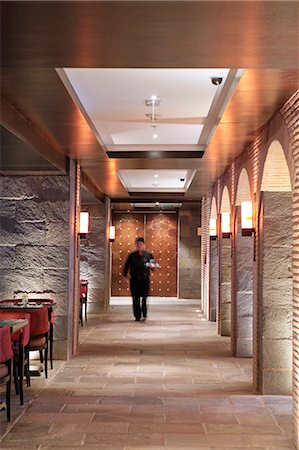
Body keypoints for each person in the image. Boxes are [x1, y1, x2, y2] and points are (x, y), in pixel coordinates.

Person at [123, 237, 154, 321]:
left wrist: (151, 265)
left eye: (141, 244)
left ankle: (144, 314)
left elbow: (153, 266)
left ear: (144, 245)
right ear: (135, 245)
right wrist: (125, 276)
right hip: (134, 280)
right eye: (137, 244)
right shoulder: (131, 255)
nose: (139, 246)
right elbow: (126, 266)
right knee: (135, 298)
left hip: (145, 279)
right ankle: (137, 315)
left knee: (144, 298)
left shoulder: (148, 255)